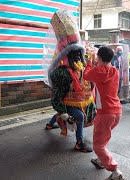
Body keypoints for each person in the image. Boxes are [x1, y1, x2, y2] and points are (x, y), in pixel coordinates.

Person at [46, 10, 96, 153]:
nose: (79, 57)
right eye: (75, 54)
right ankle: (79, 142)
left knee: (86, 111)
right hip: (66, 101)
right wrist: (63, 112)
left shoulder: (80, 68)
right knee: (79, 115)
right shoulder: (62, 73)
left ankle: (50, 124)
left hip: (78, 100)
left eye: (79, 54)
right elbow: (56, 97)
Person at [83, 46, 124, 180]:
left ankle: (115, 171)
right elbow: (101, 71)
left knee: (98, 145)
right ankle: (101, 160)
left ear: (99, 58)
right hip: (117, 112)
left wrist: (89, 62)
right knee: (103, 137)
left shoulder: (97, 70)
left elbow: (86, 75)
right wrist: (96, 62)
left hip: (105, 113)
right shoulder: (115, 71)